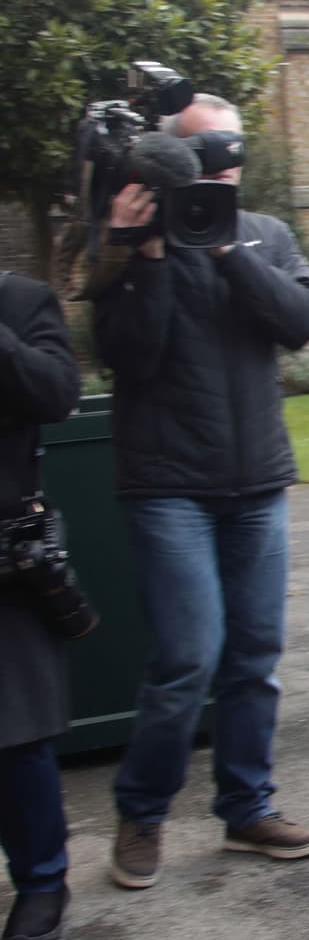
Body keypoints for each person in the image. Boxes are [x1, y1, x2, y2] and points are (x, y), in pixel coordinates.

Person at [91, 94, 309, 891]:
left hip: (257, 478)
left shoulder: (265, 234)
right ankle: (142, 811)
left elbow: (302, 320)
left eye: (234, 147)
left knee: (255, 657)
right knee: (187, 659)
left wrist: (226, 248)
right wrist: (146, 253)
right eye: (206, 150)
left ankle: (246, 807)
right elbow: (128, 356)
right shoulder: (135, 243)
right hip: (169, 485)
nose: (225, 164)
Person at [0, 271, 82, 940]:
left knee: (16, 732)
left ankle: (42, 880)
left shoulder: (19, 301)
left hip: (5, 554)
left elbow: (57, 392)